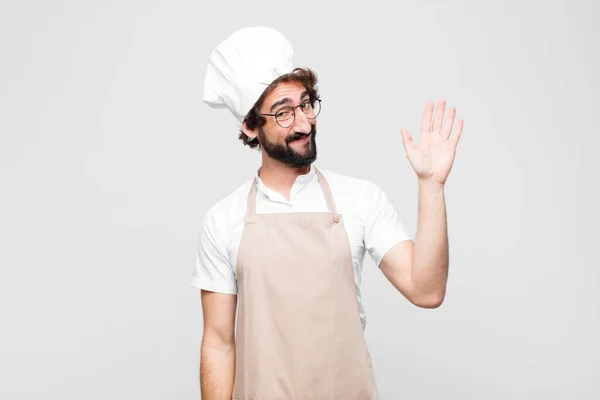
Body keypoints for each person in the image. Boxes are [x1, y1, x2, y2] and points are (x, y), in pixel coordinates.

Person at [190, 26, 464, 400]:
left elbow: (427, 290)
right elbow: (219, 343)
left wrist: (431, 185)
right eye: (283, 113)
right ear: (251, 126)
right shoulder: (223, 219)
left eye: (305, 105)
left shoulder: (360, 198)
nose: (304, 123)